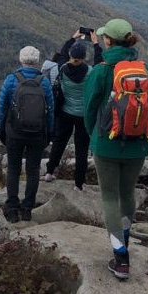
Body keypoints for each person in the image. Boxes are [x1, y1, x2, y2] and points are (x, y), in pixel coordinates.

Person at [84, 19, 148, 281]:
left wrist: (95, 137)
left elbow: (89, 110)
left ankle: (121, 257)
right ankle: (125, 240)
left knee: (109, 197)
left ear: (108, 41)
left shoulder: (100, 71)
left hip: (106, 144)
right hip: (138, 147)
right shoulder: (146, 71)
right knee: (127, 194)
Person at [0, 45, 54, 223]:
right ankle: (28, 208)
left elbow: (2, 108)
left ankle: (12, 209)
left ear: (21, 60)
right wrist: (49, 133)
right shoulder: (44, 82)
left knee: (13, 169)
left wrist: (2, 130)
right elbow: (50, 110)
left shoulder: (11, 80)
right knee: (32, 170)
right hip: (37, 133)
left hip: (14, 132)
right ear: (37, 61)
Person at [43, 29, 102, 190]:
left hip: (65, 113)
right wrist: (96, 43)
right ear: (84, 58)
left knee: (59, 142)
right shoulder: (91, 72)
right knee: (81, 149)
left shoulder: (62, 69)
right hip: (84, 115)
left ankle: (49, 172)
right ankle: (79, 183)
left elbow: (62, 55)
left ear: (70, 55)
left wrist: (72, 38)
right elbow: (100, 62)